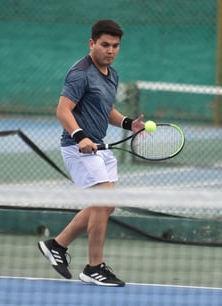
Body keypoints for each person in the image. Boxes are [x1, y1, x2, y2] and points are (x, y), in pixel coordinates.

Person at [38, 19, 144, 287]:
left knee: (106, 205)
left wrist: (129, 123)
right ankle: (94, 267)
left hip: (99, 146)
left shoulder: (113, 74)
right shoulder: (80, 73)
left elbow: (106, 110)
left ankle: (57, 245)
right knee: (102, 202)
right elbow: (63, 110)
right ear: (92, 43)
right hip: (79, 147)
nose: (110, 50)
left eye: (115, 46)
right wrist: (80, 136)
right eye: (105, 45)